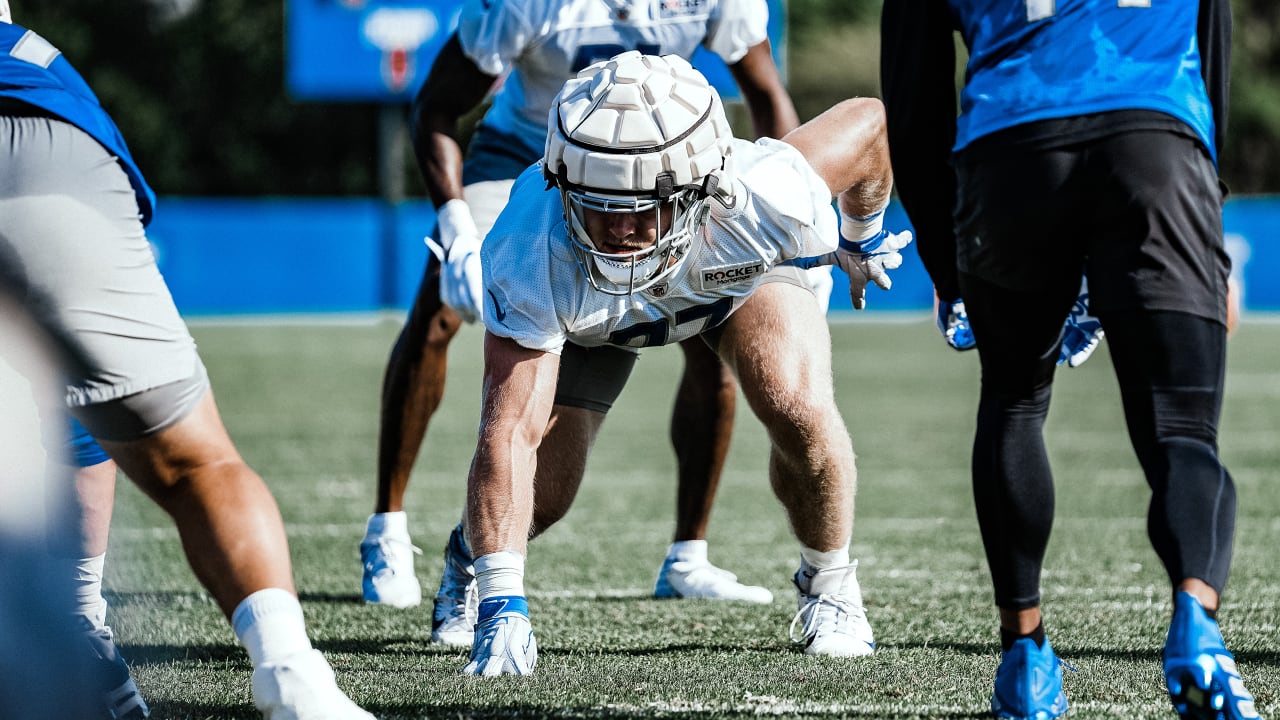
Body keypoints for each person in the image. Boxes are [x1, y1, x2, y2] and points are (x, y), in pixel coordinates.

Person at [452, 50, 911, 676]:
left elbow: (872, 123)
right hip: (593, 319)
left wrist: (864, 233)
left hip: (733, 282)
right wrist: (505, 601)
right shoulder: (531, 247)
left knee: (797, 404)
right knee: (547, 494)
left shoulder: (761, 195)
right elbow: (509, 435)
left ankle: (828, 585)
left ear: (702, 185)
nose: (617, 228)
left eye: (640, 204)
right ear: (561, 180)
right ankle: (472, 558)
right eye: (598, 202)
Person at [363, 0, 807, 634]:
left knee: (719, 323)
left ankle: (688, 555)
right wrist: (456, 227)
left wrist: (789, 206)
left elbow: (767, 95)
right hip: (531, 158)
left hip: (658, 169)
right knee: (442, 306)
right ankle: (387, 527)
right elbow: (436, 106)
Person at [881, 1, 1262, 719]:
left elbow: (914, 96)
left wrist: (943, 257)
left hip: (1011, 152)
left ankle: (1024, 656)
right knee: (1182, 427)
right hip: (1156, 140)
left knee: (1015, 399)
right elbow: (1213, 44)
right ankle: (1197, 627)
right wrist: (1205, 197)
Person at [0, 12, 375, 720]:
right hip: (58, 151)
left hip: (56, 138)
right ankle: (294, 676)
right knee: (196, 462)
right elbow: (84, 396)